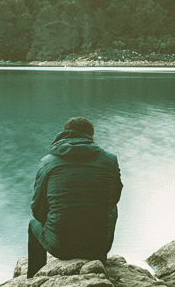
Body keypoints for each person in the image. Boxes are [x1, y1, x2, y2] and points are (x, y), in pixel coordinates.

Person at [27, 117, 123, 278]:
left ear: (65, 135)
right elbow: (113, 199)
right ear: (91, 137)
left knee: (33, 224)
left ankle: (36, 278)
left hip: (61, 247)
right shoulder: (110, 160)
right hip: (98, 247)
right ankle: (99, 261)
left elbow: (37, 211)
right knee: (112, 209)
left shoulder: (47, 162)